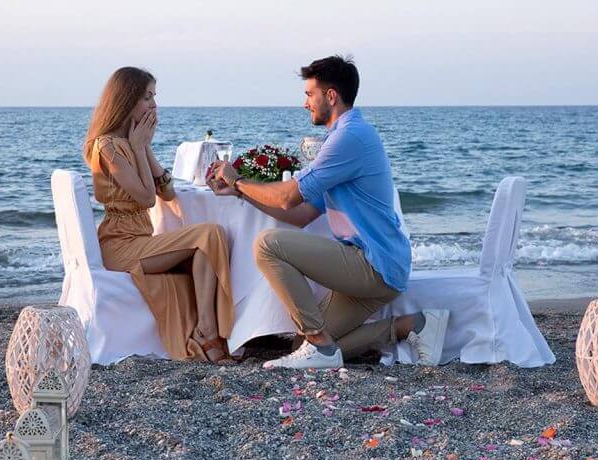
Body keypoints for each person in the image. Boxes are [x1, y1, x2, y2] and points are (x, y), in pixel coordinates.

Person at [209, 56, 448, 368]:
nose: (305, 103)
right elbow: (303, 214)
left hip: (374, 264)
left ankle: (321, 346)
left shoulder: (349, 137)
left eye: (310, 94)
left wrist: (238, 180)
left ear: (331, 96)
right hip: (381, 266)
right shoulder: (344, 137)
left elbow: (288, 198)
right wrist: (241, 193)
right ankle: (410, 326)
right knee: (302, 343)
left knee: (268, 245)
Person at [83, 67, 234, 364]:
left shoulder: (131, 143)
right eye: (146, 98)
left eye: (154, 97)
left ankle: (207, 330)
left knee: (208, 241)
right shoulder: (107, 146)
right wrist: (140, 148)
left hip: (140, 241)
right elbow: (145, 197)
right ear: (125, 101)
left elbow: (167, 193)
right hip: (120, 247)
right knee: (209, 234)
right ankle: (208, 332)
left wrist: (145, 148)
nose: (153, 105)